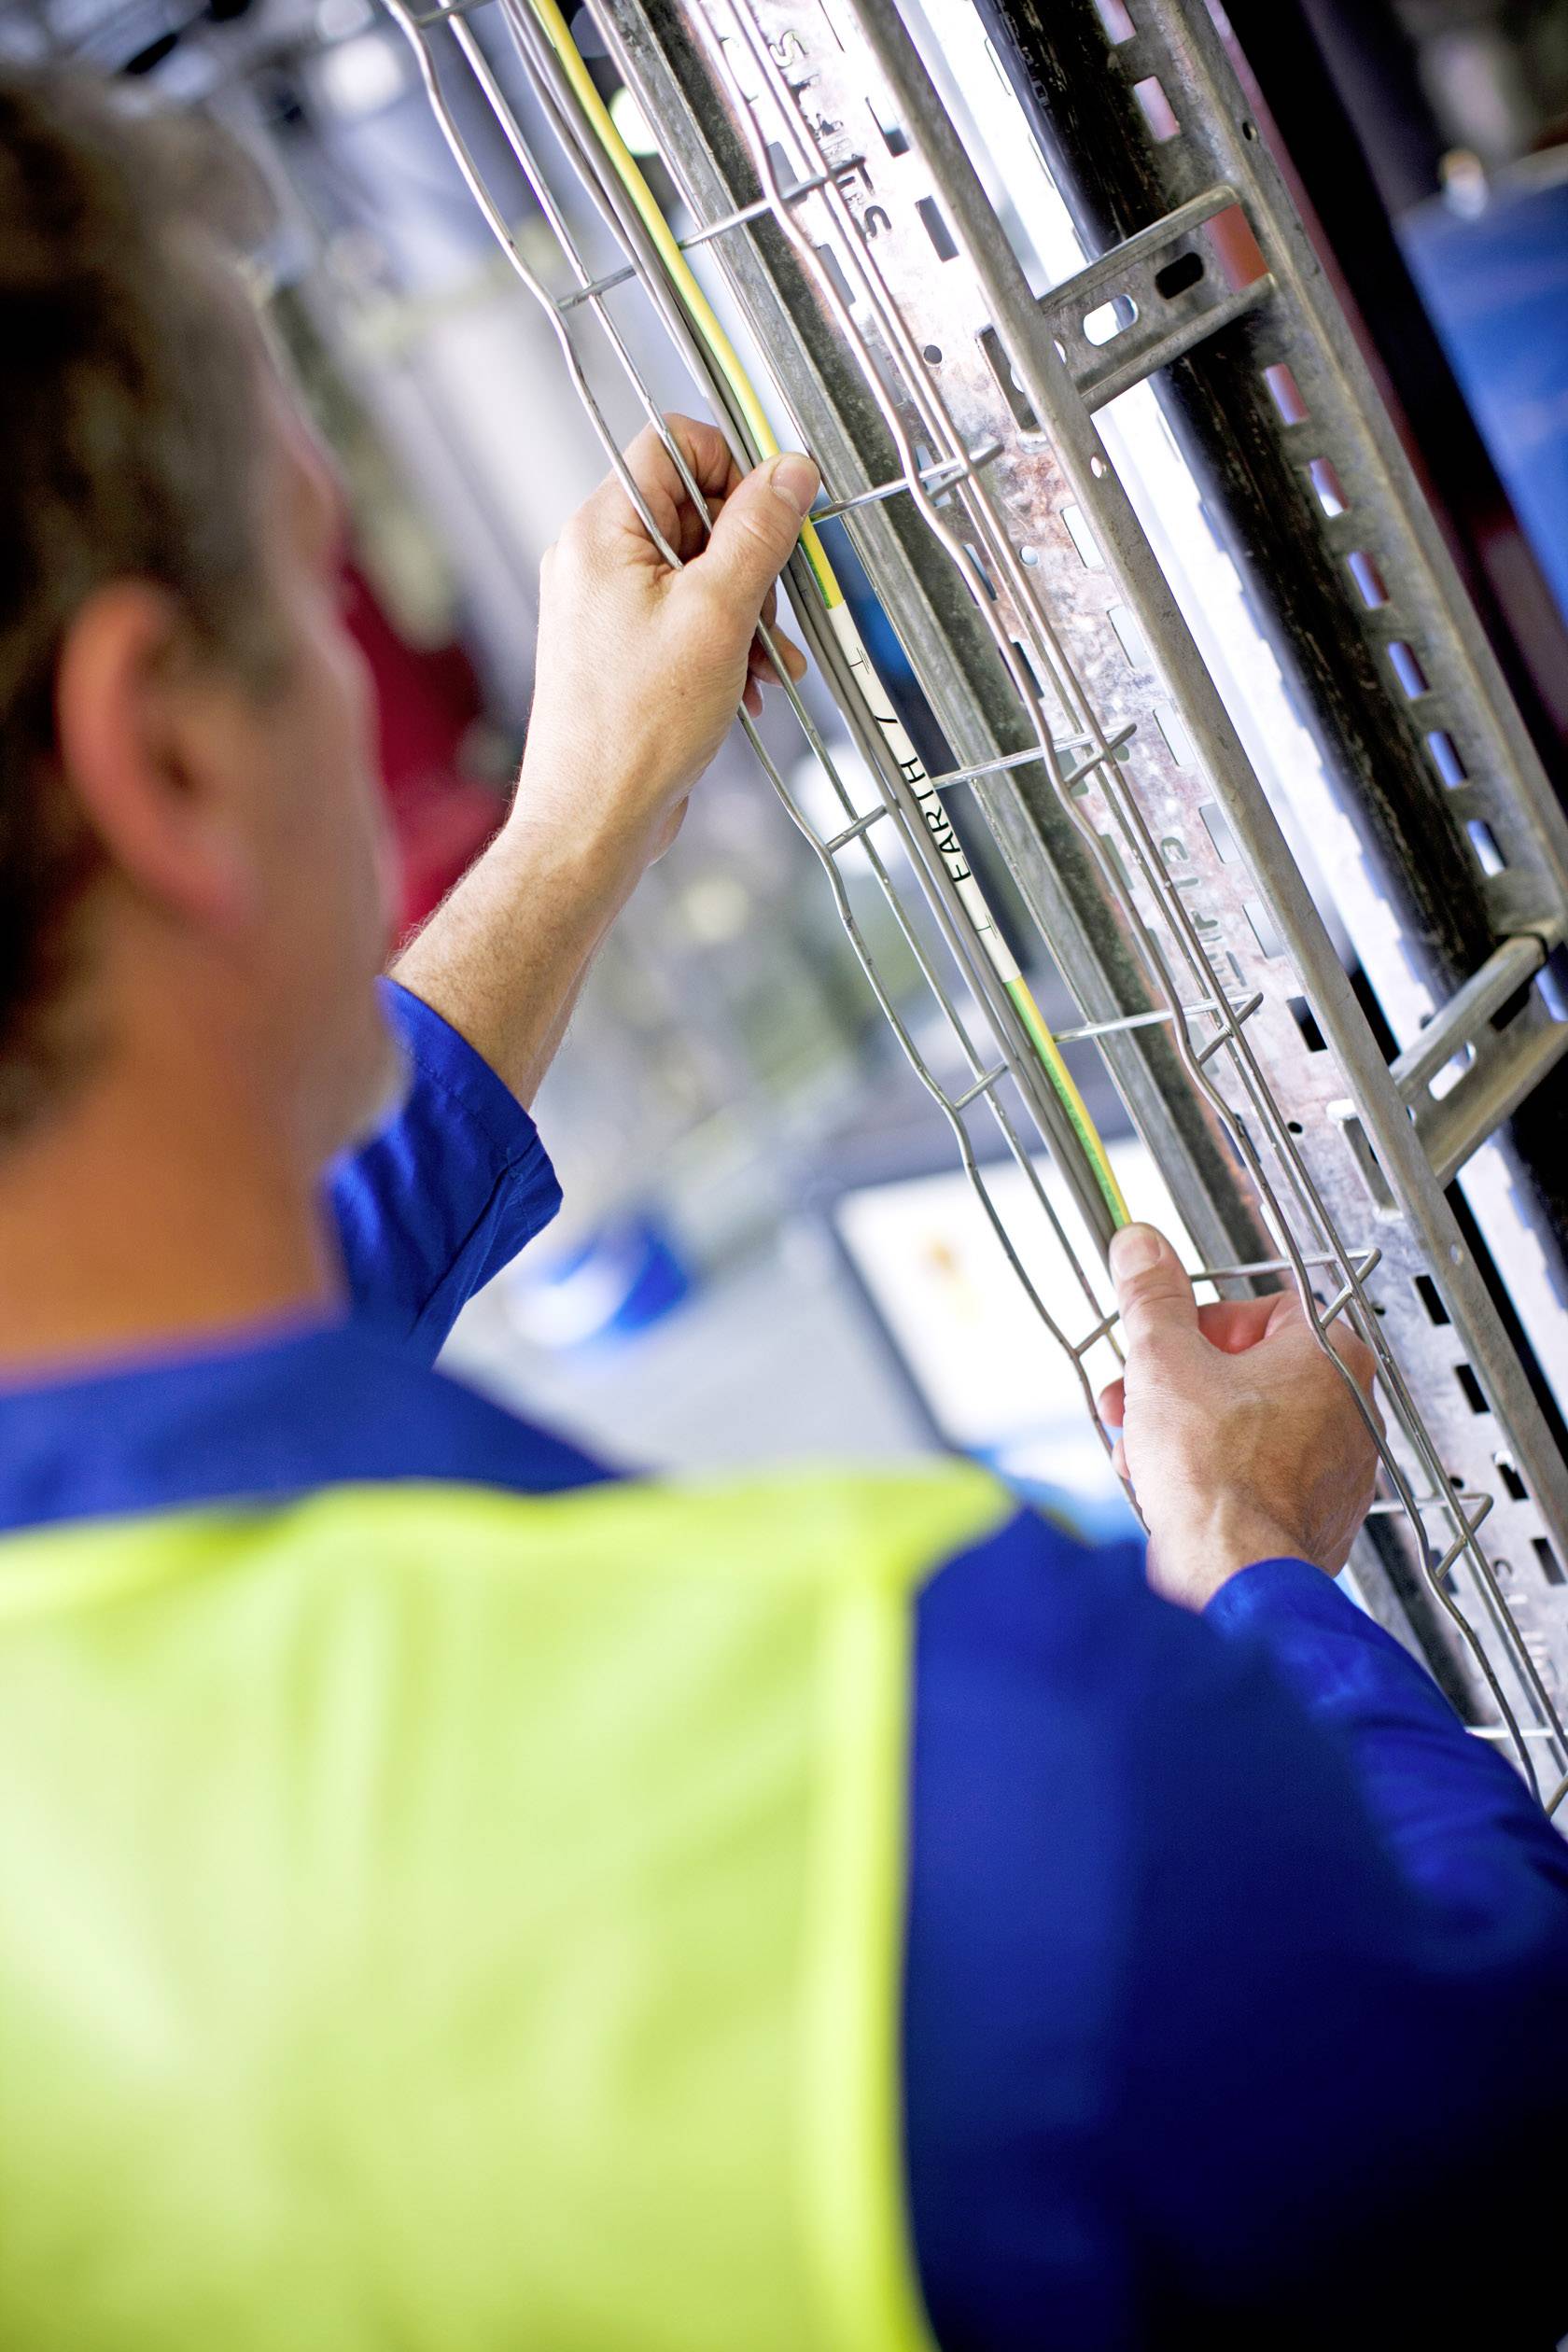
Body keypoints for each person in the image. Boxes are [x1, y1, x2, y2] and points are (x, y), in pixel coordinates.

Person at [0, 63, 1564, 2352]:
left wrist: (577, 821)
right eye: (313, 594)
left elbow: (266, 1282)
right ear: (166, 759)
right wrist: (1261, 1588)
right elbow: (1510, 2088)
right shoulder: (919, 1762)